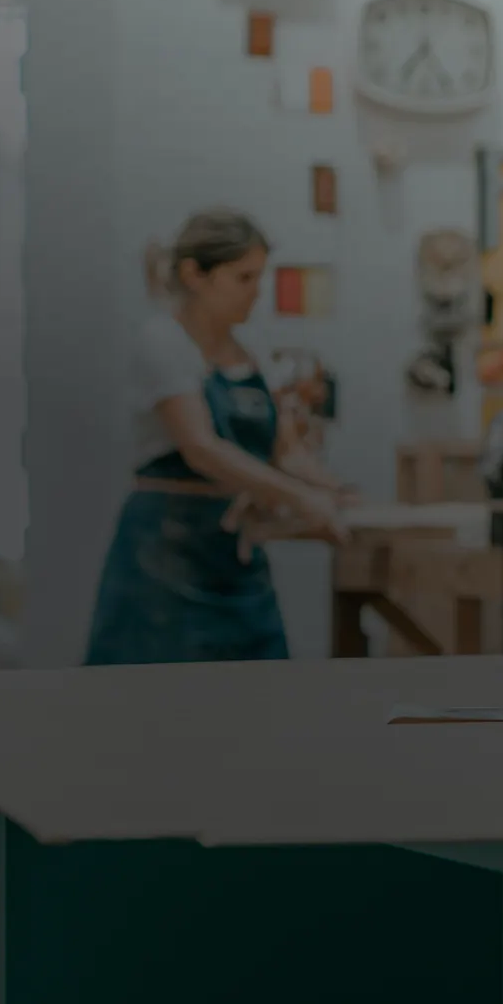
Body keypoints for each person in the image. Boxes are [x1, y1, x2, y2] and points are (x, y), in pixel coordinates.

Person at [85, 208, 350, 665]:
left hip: (236, 559)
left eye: (260, 278)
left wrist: (332, 491)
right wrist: (302, 499)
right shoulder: (163, 342)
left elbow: (284, 452)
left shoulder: (255, 352)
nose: (257, 293)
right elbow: (202, 449)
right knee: (157, 713)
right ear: (195, 275)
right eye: (243, 278)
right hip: (164, 560)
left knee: (261, 704)